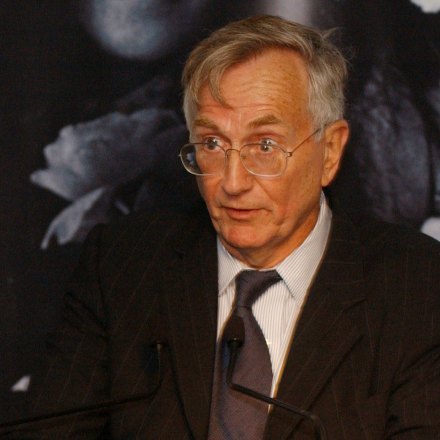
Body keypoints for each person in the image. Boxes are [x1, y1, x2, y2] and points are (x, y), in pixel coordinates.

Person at [4, 14, 440, 439]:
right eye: (212, 144)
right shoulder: (120, 265)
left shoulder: (415, 284)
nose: (231, 183)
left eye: (264, 146)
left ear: (329, 151)